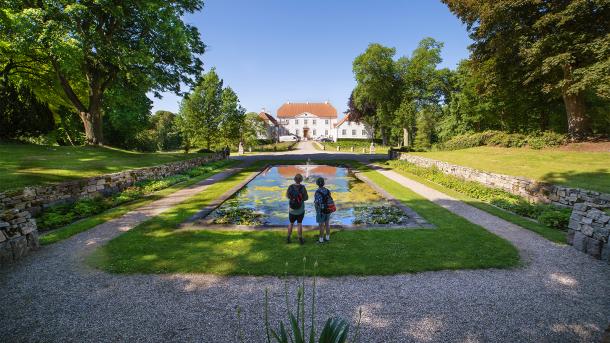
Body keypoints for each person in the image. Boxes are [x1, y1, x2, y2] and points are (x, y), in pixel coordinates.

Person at [286, 173, 308, 244]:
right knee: (299, 224)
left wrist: (293, 199)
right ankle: (300, 239)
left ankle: (288, 238)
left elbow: (287, 196)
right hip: (300, 209)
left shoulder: (290, 187)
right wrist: (300, 199)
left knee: (291, 223)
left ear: (294, 179)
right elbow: (306, 198)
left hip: (292, 209)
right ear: (301, 180)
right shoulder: (303, 187)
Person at [314, 177, 333, 243]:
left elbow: (316, 203)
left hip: (321, 211)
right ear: (324, 183)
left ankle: (321, 240)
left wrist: (317, 210)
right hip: (328, 209)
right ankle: (327, 238)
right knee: (327, 224)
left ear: (317, 184)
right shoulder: (328, 190)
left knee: (321, 225)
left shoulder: (317, 192)